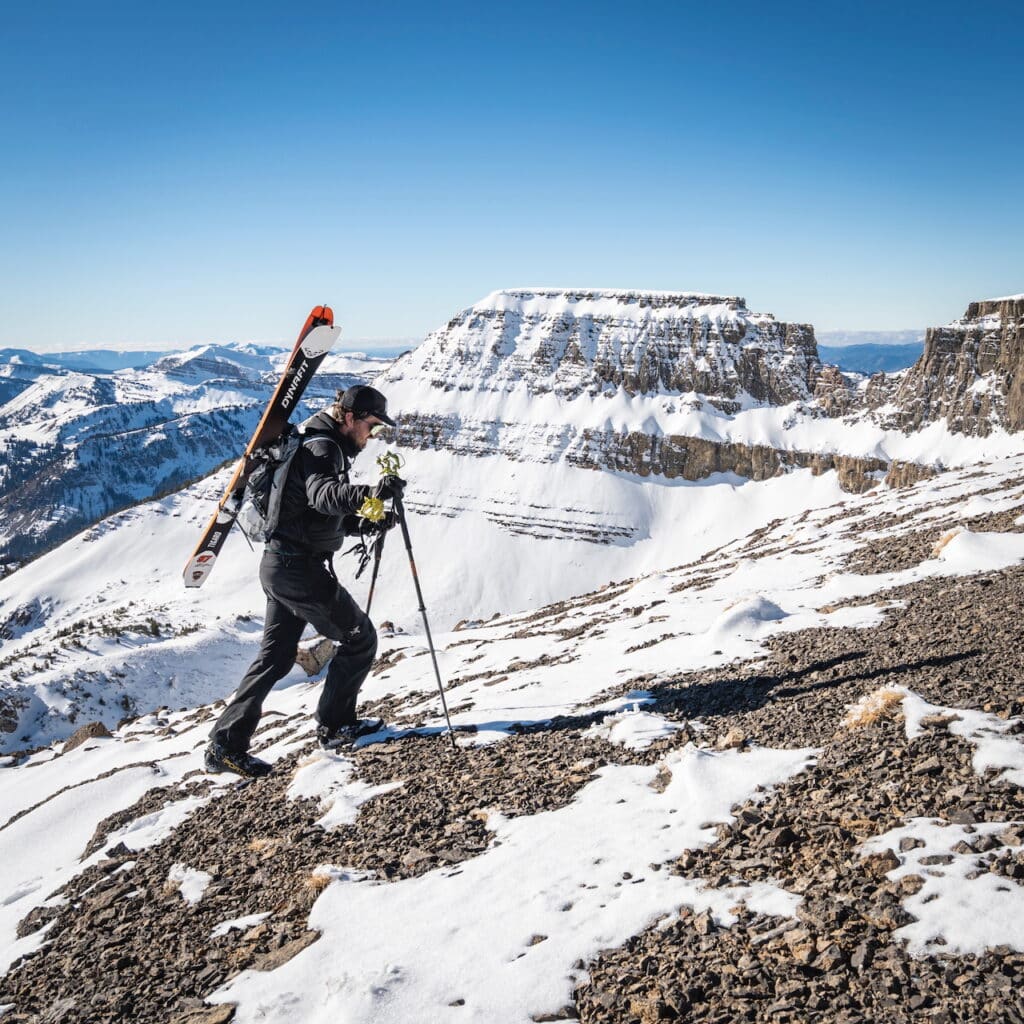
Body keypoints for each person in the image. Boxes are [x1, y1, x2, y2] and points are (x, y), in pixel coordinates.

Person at [205, 384, 402, 778]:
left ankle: (224, 747)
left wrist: (369, 521)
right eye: (371, 426)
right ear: (349, 417)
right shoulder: (322, 447)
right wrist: (371, 494)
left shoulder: (320, 444)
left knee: (275, 658)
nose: (373, 435)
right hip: (298, 569)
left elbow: (321, 515)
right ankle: (336, 727)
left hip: (281, 565)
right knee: (360, 638)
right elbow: (324, 495)